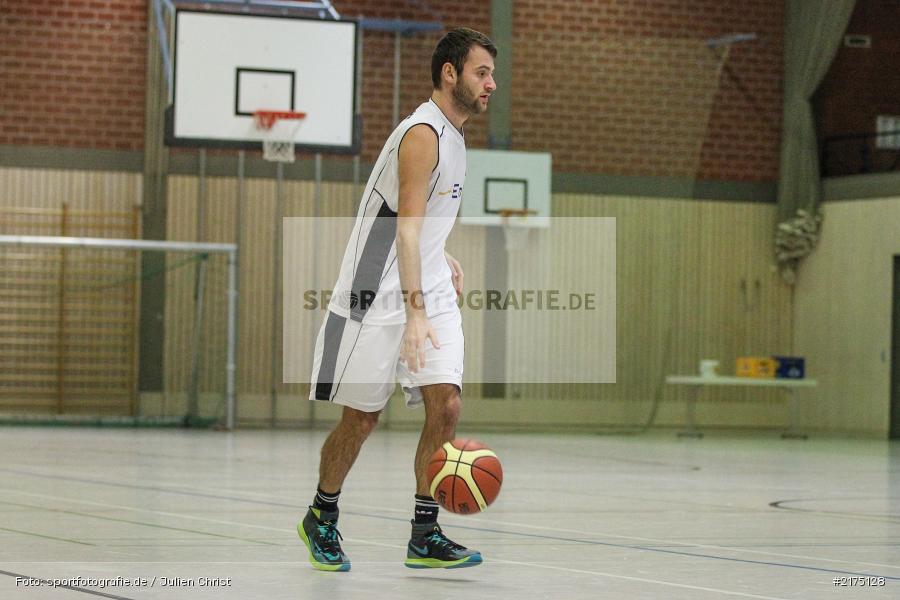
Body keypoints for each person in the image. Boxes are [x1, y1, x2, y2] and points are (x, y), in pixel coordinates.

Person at [298, 28, 497, 572]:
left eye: (492, 74)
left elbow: (420, 226)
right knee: (361, 419)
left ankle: (424, 531)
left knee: (447, 404)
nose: (491, 84)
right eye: (482, 72)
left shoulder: (455, 136)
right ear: (450, 73)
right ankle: (322, 514)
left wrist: (444, 252)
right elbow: (403, 231)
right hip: (373, 289)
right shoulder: (422, 134)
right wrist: (414, 313)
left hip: (423, 277)